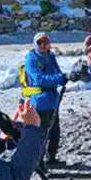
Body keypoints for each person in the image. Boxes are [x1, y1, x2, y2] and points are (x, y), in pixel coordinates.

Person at [21, 33, 66, 166]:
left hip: (52, 101)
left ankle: (51, 159)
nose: (43, 45)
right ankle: (38, 163)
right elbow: (39, 79)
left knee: (54, 132)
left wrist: (67, 76)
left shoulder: (50, 57)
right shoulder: (31, 59)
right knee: (42, 134)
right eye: (40, 42)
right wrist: (61, 78)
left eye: (46, 42)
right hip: (39, 102)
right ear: (35, 43)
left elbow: (57, 73)